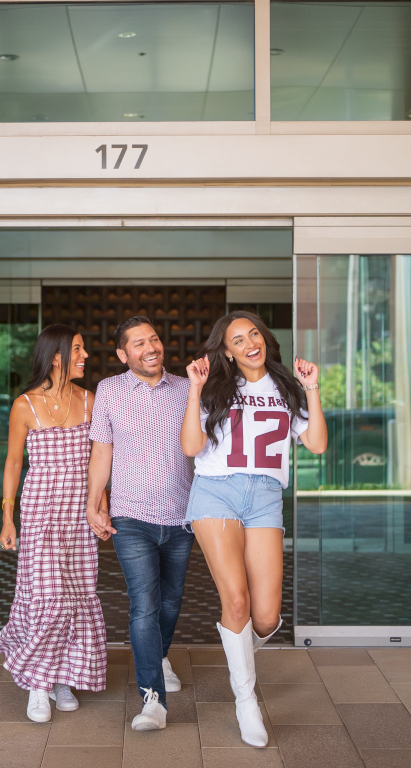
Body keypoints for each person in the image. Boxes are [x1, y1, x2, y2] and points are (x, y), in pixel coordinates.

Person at [181, 311, 327, 748]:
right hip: (216, 493)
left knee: (265, 617)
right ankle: (246, 700)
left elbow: (317, 443)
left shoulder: (285, 386)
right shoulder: (214, 387)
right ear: (226, 349)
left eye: (254, 334)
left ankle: (237, 651)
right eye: (238, 339)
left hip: (265, 496)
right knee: (238, 601)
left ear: (264, 339)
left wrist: (312, 388)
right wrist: (193, 390)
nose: (249, 342)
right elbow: (192, 446)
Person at [86, 315, 194, 731]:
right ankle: (153, 699)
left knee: (170, 601)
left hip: (182, 516)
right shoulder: (109, 391)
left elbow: (204, 448)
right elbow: (102, 453)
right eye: (138, 343)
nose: (150, 348)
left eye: (154, 339)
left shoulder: (187, 389)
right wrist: (94, 503)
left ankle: (160, 655)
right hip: (131, 517)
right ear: (122, 354)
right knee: (144, 605)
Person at [0, 324, 108, 723]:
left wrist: (101, 506)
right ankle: (39, 683)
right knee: (49, 598)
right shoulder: (24, 405)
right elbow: (13, 463)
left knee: (76, 596)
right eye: (78, 349)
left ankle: (64, 677)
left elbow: (100, 462)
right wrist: (8, 517)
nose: (85, 356)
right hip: (41, 513)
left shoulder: (90, 400)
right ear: (57, 355)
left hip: (79, 515)